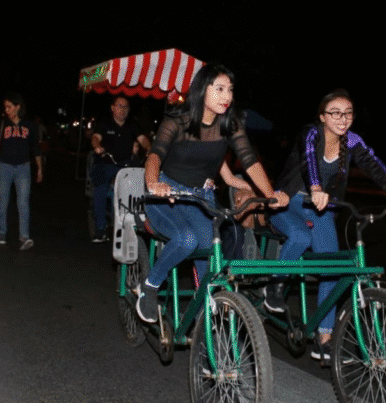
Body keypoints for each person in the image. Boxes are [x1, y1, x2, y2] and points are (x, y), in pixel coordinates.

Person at [268, 89, 386, 362]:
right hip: (290, 200)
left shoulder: (352, 141)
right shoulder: (311, 133)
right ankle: (275, 285)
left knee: (332, 264)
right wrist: (315, 188)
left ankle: (324, 337)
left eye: (348, 113)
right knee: (301, 236)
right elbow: (309, 161)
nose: (343, 119)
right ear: (322, 116)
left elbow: (375, 166)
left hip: (322, 207)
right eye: (335, 113)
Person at [136, 63, 289, 323]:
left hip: (201, 199)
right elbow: (155, 155)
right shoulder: (178, 121)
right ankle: (150, 286)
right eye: (219, 89)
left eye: (230, 89)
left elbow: (250, 161)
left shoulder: (230, 124)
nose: (227, 96)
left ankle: (206, 328)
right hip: (167, 195)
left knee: (210, 254)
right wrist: (153, 183)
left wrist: (270, 194)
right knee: (187, 240)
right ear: (201, 90)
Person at [0, 92, 43, 251]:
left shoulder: (29, 126)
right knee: (3, 201)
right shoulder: (1, 126)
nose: (7, 110)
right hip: (4, 167)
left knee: (23, 202)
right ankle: (2, 233)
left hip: (23, 168)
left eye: (9, 107)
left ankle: (24, 236)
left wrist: (39, 168)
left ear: (18, 106)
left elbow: (35, 148)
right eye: (5, 107)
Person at [89, 96, 151, 243]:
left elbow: (143, 139)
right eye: (119, 106)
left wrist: (149, 148)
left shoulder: (132, 126)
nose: (122, 110)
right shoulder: (104, 124)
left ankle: (136, 226)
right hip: (106, 164)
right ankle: (100, 229)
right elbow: (96, 137)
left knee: (138, 189)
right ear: (112, 108)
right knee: (101, 189)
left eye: (126, 107)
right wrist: (97, 146)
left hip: (125, 165)